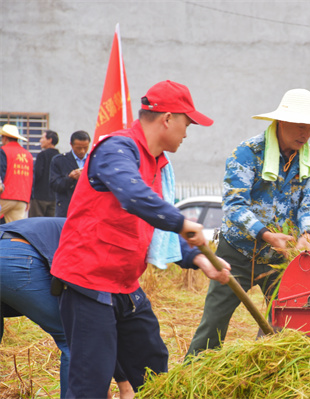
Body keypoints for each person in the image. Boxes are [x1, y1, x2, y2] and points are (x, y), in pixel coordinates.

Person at [50, 80, 231, 397]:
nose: (187, 133)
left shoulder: (158, 163)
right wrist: (185, 225)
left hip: (124, 283)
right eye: (186, 124)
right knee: (91, 380)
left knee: (153, 366)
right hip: (88, 281)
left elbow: (156, 224)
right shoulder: (116, 149)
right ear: (168, 119)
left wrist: (200, 258)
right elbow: (134, 196)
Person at [186, 88, 310, 356]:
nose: (306, 134)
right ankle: (192, 375)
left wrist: (308, 234)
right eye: (300, 126)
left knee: (286, 326)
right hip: (237, 253)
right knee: (213, 324)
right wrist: (265, 234)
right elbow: (234, 204)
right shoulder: (247, 153)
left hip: (281, 256)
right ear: (281, 122)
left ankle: (267, 372)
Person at [0, 217, 134, 399]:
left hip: (9, 247)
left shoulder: (82, 227)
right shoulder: (100, 246)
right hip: (15, 260)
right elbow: (97, 323)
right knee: (77, 338)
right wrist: (123, 385)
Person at [49, 130, 91, 217]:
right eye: (79, 148)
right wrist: (69, 178)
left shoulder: (93, 161)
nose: (82, 151)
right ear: (71, 145)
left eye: (85, 147)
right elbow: (54, 185)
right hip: (67, 208)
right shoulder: (59, 160)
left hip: (88, 208)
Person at [0, 124, 34, 222]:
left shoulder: (3, 151)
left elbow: (1, 172)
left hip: (4, 197)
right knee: (15, 229)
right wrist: (29, 199)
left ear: (5, 138)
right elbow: (31, 178)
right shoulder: (28, 155)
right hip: (22, 199)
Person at [29, 130, 60, 217]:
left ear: (49, 140)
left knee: (35, 224)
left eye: (42, 138)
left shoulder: (42, 155)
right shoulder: (59, 156)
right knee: (50, 226)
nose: (40, 141)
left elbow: (37, 174)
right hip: (54, 198)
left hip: (39, 197)